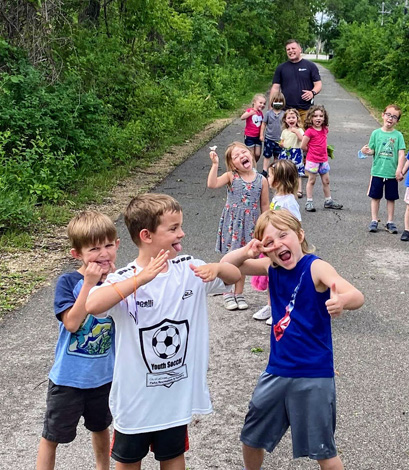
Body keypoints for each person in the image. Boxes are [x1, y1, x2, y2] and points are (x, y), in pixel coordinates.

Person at [85, 194, 240, 470]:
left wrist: (218, 267)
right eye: (173, 228)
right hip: (134, 404)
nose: (182, 233)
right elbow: (93, 304)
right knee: (128, 461)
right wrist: (141, 279)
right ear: (146, 235)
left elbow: (234, 276)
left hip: (175, 402)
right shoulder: (124, 277)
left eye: (180, 226)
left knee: (173, 459)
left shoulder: (189, 269)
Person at [221, 210, 364, 470]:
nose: (278, 244)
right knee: (251, 438)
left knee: (324, 451)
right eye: (269, 242)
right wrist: (247, 251)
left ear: (300, 235)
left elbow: (356, 294)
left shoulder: (316, 267)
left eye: (283, 235)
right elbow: (227, 265)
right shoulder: (270, 267)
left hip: (314, 375)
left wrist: (342, 300)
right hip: (277, 371)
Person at [36, 211, 119, 470]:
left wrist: (113, 281)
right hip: (68, 380)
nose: (103, 254)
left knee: (101, 427)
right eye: (94, 248)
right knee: (53, 436)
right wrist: (90, 284)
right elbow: (72, 323)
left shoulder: (119, 281)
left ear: (117, 244)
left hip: (104, 377)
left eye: (108, 245)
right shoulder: (68, 281)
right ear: (77, 254)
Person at [207, 142, 269, 311]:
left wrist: (265, 228)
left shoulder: (262, 180)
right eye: (236, 156)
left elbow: (264, 205)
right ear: (232, 163)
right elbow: (212, 184)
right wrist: (215, 165)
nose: (241, 156)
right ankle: (227, 293)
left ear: (250, 155)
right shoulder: (231, 176)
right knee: (231, 259)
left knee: (244, 259)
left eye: (243, 152)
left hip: (251, 225)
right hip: (232, 224)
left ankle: (239, 293)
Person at [252, 160, 301, 323]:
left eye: (270, 175)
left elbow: (295, 224)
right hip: (271, 245)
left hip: (282, 248)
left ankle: (280, 309)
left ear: (278, 180)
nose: (267, 176)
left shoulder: (288, 202)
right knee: (271, 275)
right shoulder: (278, 197)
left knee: (282, 278)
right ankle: (271, 305)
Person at [361, 104, 406, 234]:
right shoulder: (376, 133)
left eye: (394, 117)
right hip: (377, 171)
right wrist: (366, 151)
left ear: (397, 121)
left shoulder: (398, 136)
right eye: (388, 115)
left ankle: (390, 222)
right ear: (383, 115)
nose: (390, 119)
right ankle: (374, 220)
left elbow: (401, 154)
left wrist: (399, 170)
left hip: (391, 173)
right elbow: (372, 150)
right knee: (375, 197)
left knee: (391, 198)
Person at [301, 104, 343, 212]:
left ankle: (328, 201)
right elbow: (303, 146)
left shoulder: (325, 129)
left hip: (323, 160)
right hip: (313, 160)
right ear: (310, 117)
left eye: (321, 116)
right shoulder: (309, 131)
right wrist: (311, 151)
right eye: (315, 116)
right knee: (311, 180)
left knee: (326, 180)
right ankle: (309, 201)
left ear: (324, 118)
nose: (318, 118)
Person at [271, 39, 322, 124]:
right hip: (286, 110)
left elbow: (318, 84)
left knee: (304, 136)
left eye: (293, 48)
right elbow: (275, 88)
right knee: (287, 136)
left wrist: (312, 92)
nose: (291, 51)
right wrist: (272, 108)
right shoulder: (281, 68)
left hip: (305, 110)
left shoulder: (310, 66)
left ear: (300, 49)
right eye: (288, 49)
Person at [279, 108, 305, 198]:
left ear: (297, 119)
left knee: (297, 172)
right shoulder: (284, 131)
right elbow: (282, 141)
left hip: (296, 152)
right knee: (285, 170)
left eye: (293, 117)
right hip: (286, 152)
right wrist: (281, 144)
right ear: (285, 120)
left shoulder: (300, 130)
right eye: (289, 118)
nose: (291, 119)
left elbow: (302, 139)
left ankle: (299, 189)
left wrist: (297, 132)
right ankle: (285, 188)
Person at [259, 91, 286, 177]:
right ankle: (264, 171)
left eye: (279, 101)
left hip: (279, 140)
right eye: (276, 101)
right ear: (272, 102)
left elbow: (286, 126)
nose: (277, 103)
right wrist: (261, 135)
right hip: (269, 138)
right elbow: (263, 124)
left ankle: (275, 171)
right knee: (267, 156)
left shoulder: (284, 114)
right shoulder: (268, 113)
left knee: (277, 156)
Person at [241, 93, 266, 162]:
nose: (262, 105)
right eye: (260, 103)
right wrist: (249, 113)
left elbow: (262, 124)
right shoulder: (250, 110)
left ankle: (253, 164)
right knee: (251, 154)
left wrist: (261, 134)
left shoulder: (260, 113)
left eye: (264, 104)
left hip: (257, 136)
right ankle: (252, 168)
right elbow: (242, 117)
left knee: (257, 154)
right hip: (249, 136)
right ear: (254, 102)